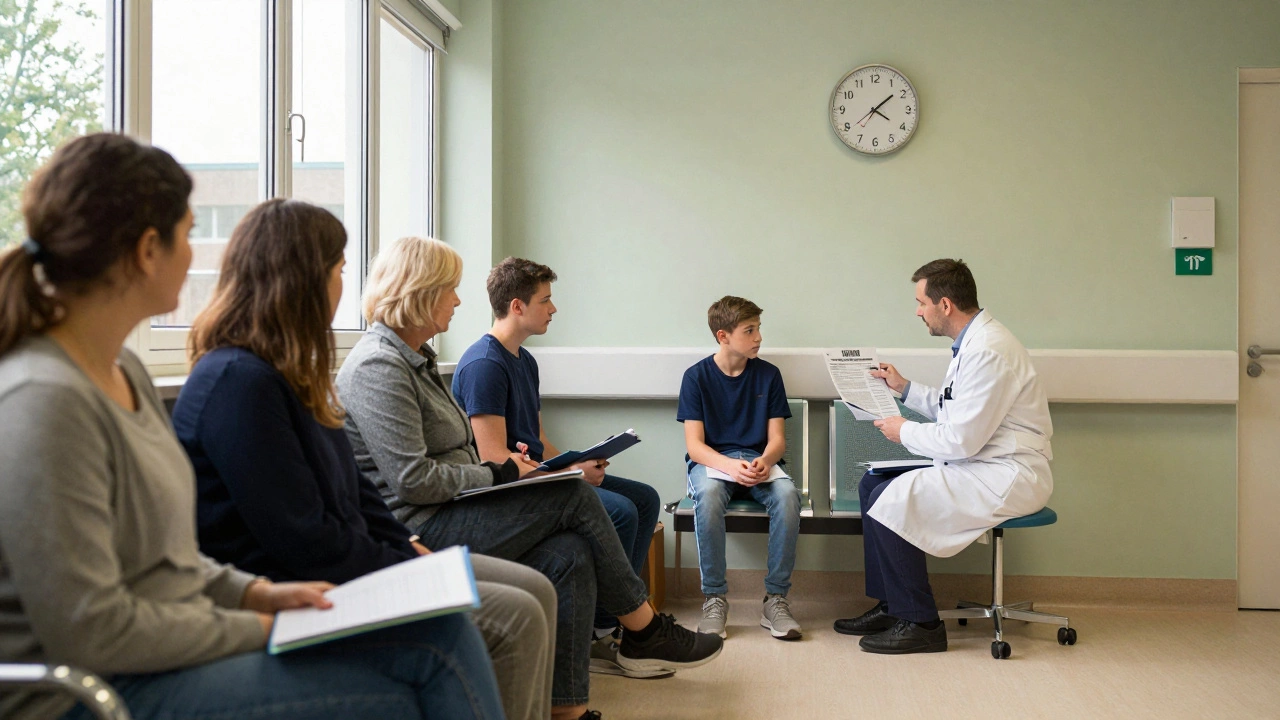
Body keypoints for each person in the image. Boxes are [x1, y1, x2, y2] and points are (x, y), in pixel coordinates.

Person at [0, 133, 503, 720]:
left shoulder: (125, 371)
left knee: (443, 637)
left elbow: (165, 559)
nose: (197, 255)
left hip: (163, 648)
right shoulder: (45, 399)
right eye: (188, 233)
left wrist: (254, 594)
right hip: (91, 692)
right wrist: (259, 625)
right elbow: (94, 632)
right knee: (413, 677)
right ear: (146, 250)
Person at [169, 199, 550, 720]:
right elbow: (302, 538)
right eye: (339, 270)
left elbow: (355, 490)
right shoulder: (239, 382)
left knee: (529, 596)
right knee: (511, 617)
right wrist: (402, 569)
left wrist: (407, 549)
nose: (344, 285)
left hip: (339, 566)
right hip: (294, 592)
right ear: (301, 281)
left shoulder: (283, 373)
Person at [336, 236, 724, 720]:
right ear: (419, 290)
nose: (459, 300)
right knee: (575, 500)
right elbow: (414, 481)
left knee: (571, 553)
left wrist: (513, 468)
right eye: (450, 289)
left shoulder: (416, 360)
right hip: (419, 527)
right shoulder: (379, 364)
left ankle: (570, 711)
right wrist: (498, 471)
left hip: (452, 508)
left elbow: (462, 455)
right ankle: (643, 630)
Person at [450, 257, 664, 673]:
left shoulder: (525, 361)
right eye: (545, 300)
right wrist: (571, 476)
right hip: (507, 489)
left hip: (537, 474)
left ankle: (606, 629)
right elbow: (493, 456)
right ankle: (605, 631)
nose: (553, 308)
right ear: (517, 306)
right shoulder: (484, 365)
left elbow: (539, 442)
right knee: (617, 511)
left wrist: (579, 461)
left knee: (643, 499)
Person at [833, 258, 1054, 655]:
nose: (918, 311)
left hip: (1008, 473)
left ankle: (922, 624)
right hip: (984, 460)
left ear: (945, 304)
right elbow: (956, 408)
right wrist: (903, 388)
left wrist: (904, 431)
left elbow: (961, 439)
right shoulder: (973, 343)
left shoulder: (989, 351)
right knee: (874, 483)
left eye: (921, 303)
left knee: (893, 497)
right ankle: (892, 605)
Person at [677, 296, 802, 640]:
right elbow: (695, 446)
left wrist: (765, 460)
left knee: (789, 496)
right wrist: (730, 467)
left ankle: (776, 599)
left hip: (758, 461)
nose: (759, 337)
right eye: (750, 330)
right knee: (709, 493)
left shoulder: (768, 375)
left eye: (759, 328)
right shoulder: (696, 378)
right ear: (723, 336)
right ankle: (715, 598)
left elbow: (777, 440)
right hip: (715, 463)